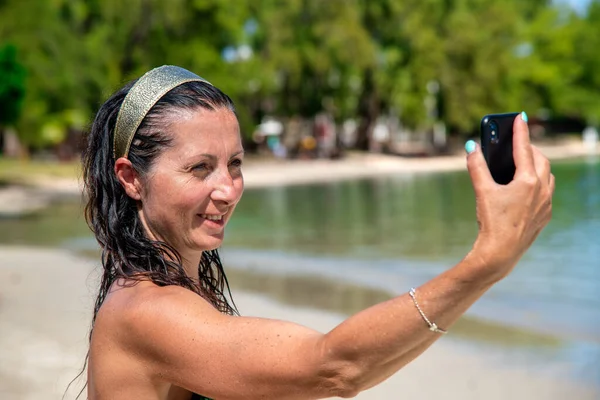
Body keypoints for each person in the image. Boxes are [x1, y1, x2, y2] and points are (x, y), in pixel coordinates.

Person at [81, 65, 554, 400]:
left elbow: (342, 376)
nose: (227, 189)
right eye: (199, 168)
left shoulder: (176, 286)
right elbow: (335, 367)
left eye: (235, 164)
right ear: (130, 178)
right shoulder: (147, 311)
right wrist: (486, 263)